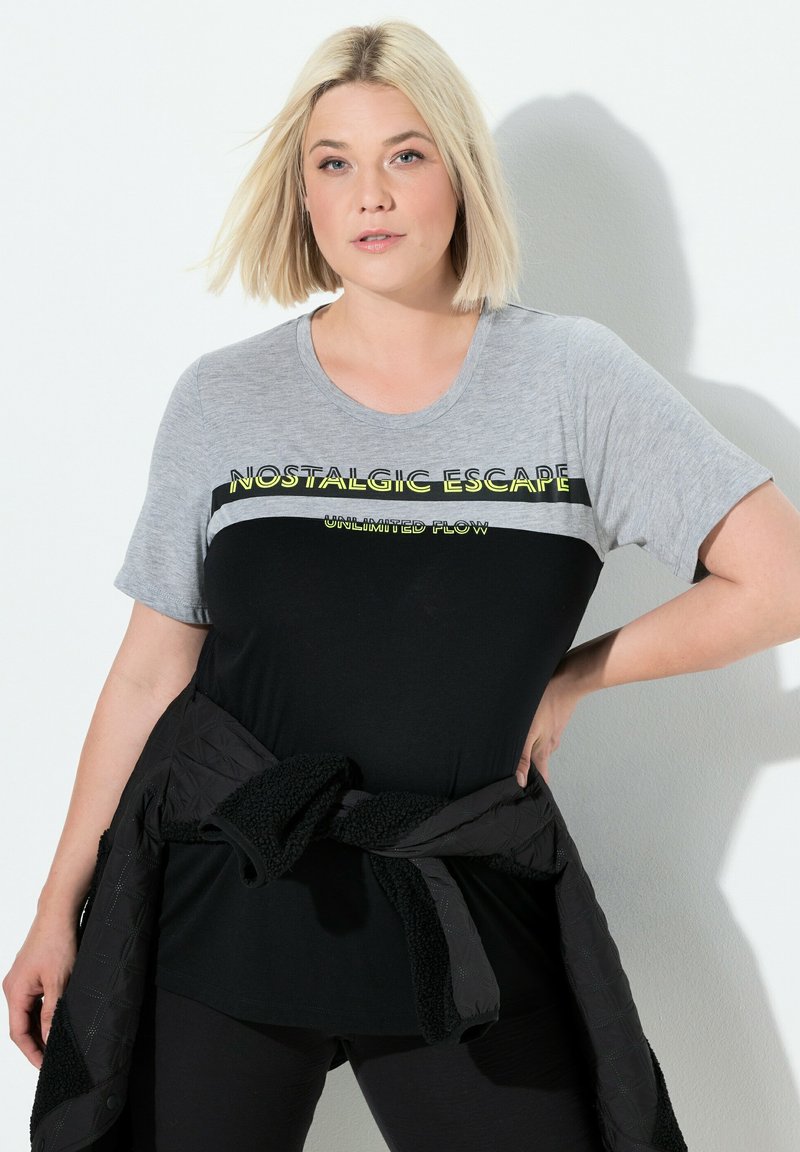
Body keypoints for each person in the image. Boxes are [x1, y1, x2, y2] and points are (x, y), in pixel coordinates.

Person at [6, 18, 800, 1152]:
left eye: (406, 155)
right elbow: (148, 674)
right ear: (303, 196)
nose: (370, 195)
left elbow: (777, 579)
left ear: (459, 175)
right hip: (227, 898)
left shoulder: (572, 381)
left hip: (458, 908)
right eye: (334, 163)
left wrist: (570, 679)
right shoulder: (224, 398)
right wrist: (57, 907)